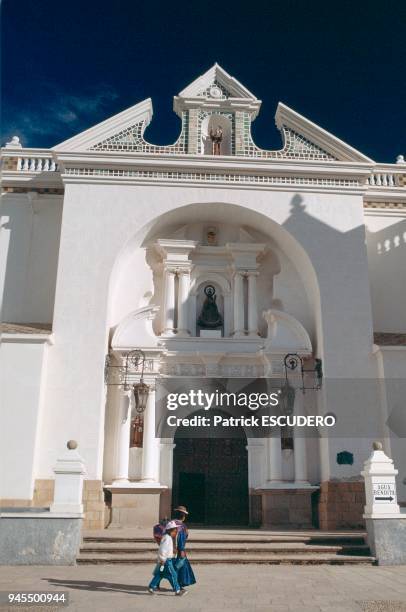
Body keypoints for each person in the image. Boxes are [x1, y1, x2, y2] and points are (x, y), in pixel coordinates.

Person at [148, 521, 187, 596]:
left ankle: (151, 587)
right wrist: (162, 559)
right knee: (173, 575)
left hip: (165, 560)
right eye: (175, 531)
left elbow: (166, 549)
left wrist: (172, 552)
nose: (175, 533)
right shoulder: (167, 538)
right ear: (170, 530)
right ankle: (177, 590)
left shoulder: (167, 537)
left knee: (160, 574)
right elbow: (162, 550)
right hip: (166, 561)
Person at [172, 505, 196, 589]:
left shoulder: (171, 524)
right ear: (183, 516)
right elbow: (181, 539)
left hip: (169, 549)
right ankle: (179, 585)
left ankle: (156, 583)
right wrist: (181, 550)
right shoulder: (182, 526)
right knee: (180, 567)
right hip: (178, 550)